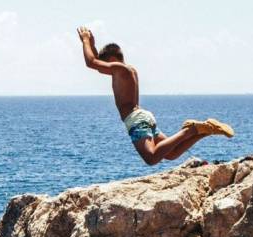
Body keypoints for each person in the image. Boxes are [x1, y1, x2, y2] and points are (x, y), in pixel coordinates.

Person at [77, 26, 234, 166]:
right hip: (143, 117)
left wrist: (84, 40)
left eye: (106, 64)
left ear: (112, 60)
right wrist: (91, 44)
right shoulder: (128, 70)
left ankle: (190, 130)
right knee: (171, 154)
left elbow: (91, 63)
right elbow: (96, 62)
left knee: (151, 158)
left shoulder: (120, 69)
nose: (104, 69)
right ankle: (205, 130)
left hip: (136, 119)